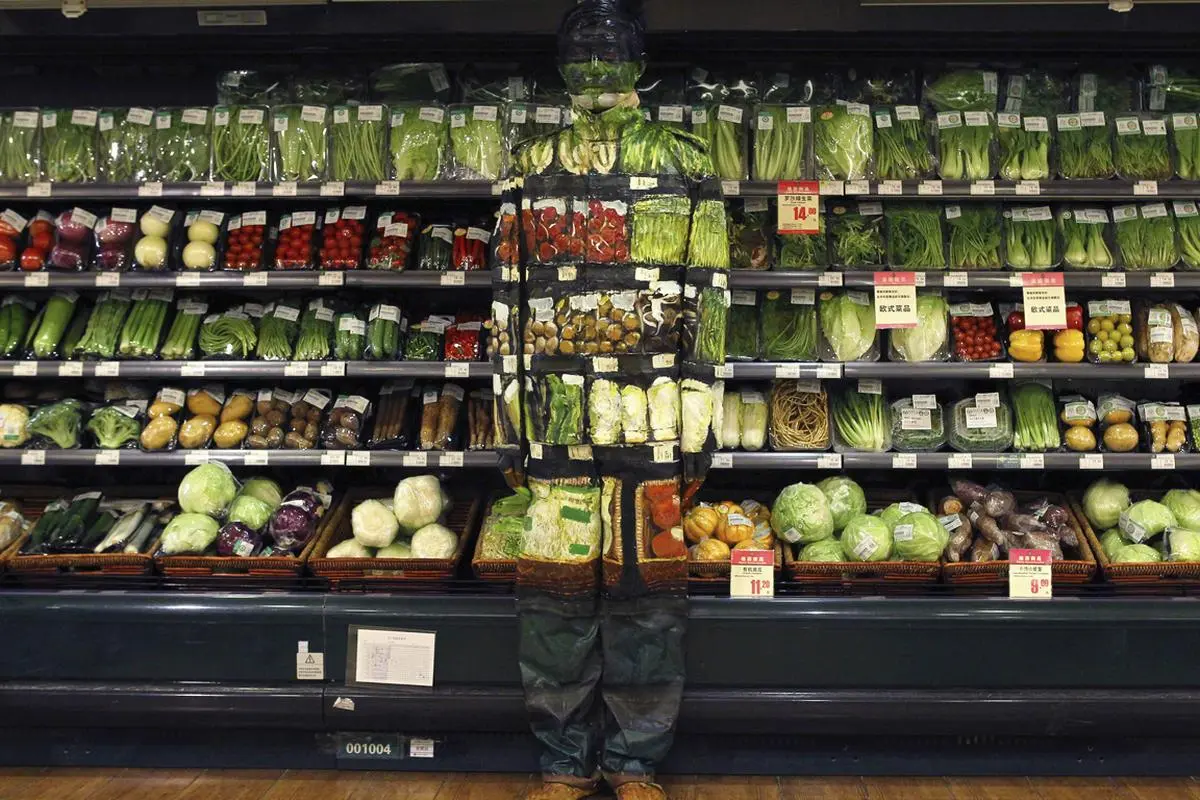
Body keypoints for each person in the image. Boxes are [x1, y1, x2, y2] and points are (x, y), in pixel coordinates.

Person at [507, 3, 728, 800]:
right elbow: (508, 294)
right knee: (554, 603)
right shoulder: (529, 165)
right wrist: (510, 419)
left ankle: (635, 763)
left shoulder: (685, 160)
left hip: (656, 415)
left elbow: (711, 298)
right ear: (561, 65)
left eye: (612, 53)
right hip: (556, 421)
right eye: (582, 54)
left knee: (647, 600)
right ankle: (564, 763)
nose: (596, 68)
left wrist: (699, 418)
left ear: (640, 61)